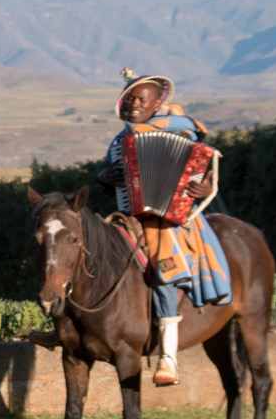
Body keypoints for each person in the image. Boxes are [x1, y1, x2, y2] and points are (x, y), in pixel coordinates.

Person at [31, 68, 231, 387]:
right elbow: (117, 179)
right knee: (82, 258)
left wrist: (203, 188)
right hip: (132, 216)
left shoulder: (183, 131)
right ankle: (65, 328)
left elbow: (201, 172)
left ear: (156, 102)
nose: (135, 104)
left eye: (142, 98)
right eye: (130, 99)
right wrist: (105, 179)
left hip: (173, 220)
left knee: (166, 268)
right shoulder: (121, 140)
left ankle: (167, 354)